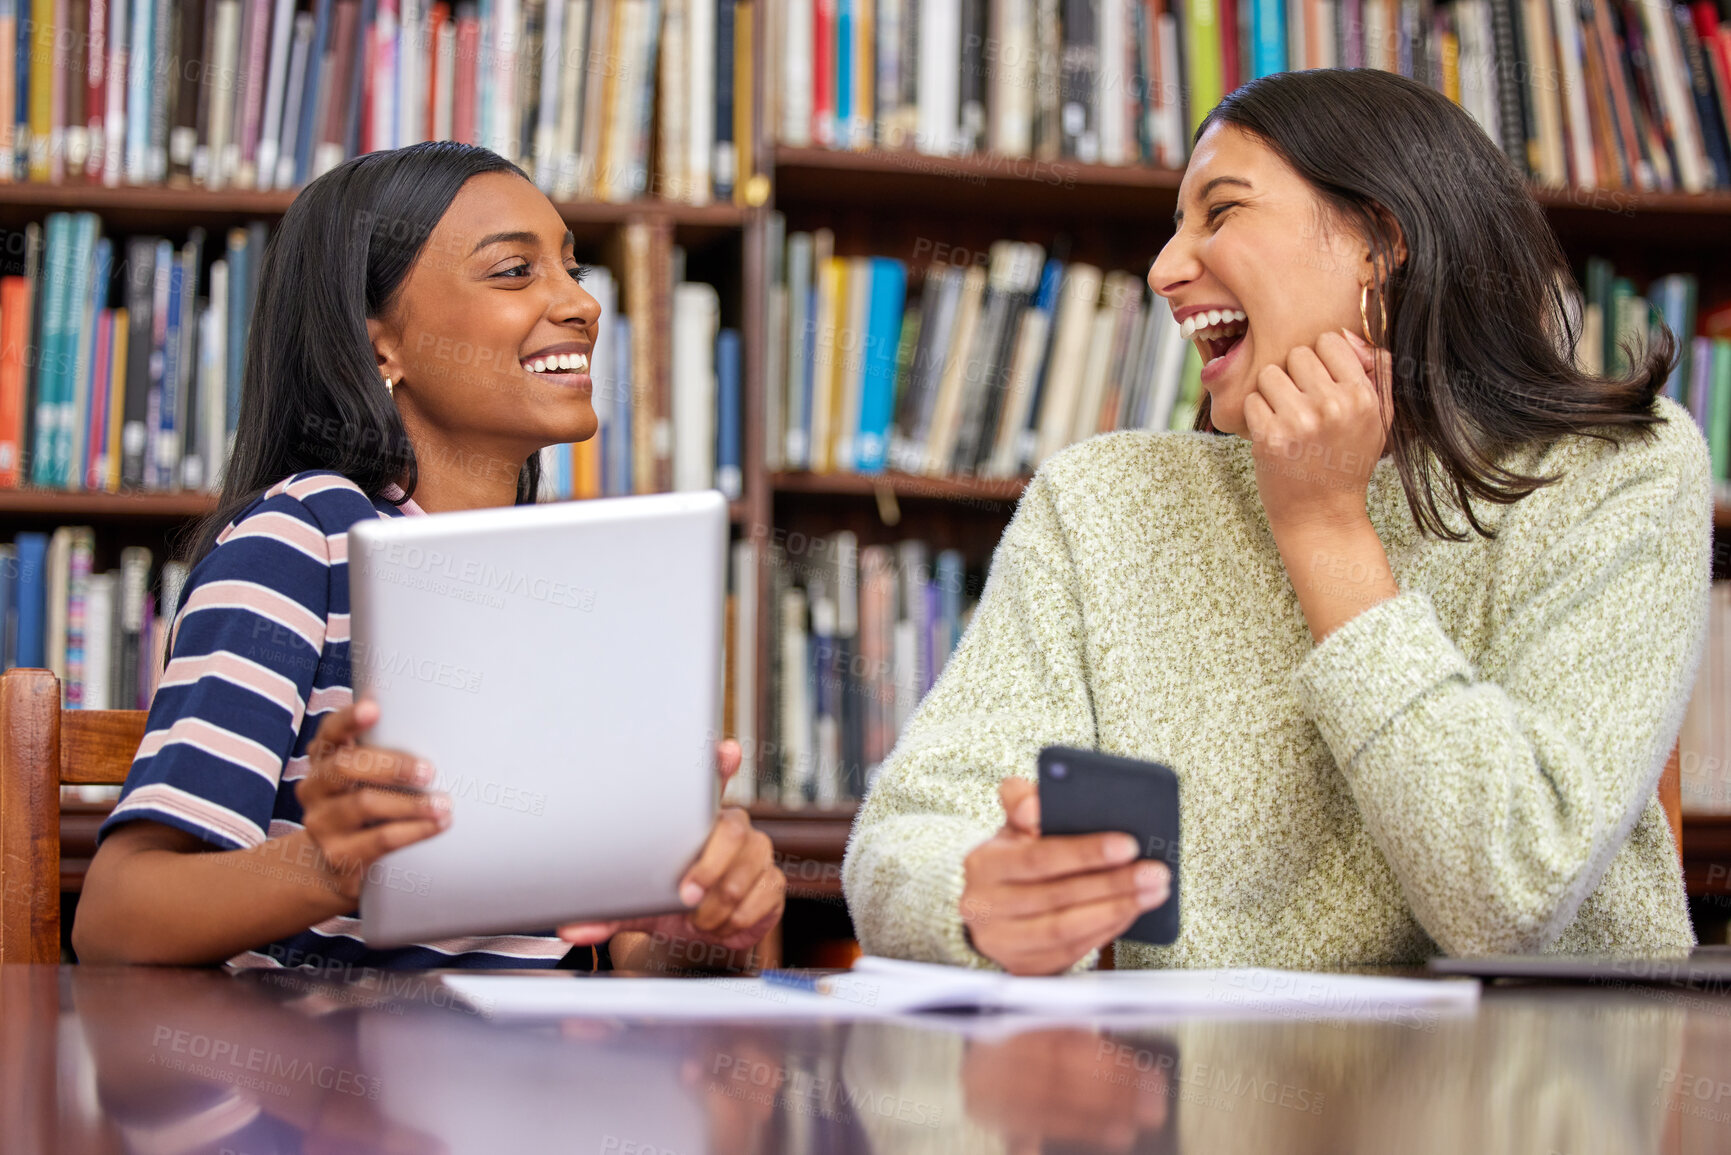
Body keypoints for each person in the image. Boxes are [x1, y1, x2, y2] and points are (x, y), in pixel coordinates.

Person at [842, 68, 1705, 976]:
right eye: (1175, 228)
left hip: (1537, 1096)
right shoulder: (1101, 500)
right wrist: (976, 896)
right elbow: (902, 836)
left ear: (1381, 242)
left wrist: (1325, 528)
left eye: (1219, 213)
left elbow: (1506, 899)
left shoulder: (1615, 473)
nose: (1165, 271)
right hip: (1200, 1099)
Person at [74, 141, 785, 970]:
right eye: (515, 272)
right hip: (332, 1083)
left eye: (571, 267)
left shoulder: (582, 584)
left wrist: (694, 918)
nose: (581, 304)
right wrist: (329, 865)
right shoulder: (304, 539)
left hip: (545, 1079)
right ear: (380, 347)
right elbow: (116, 918)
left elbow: (608, 959)